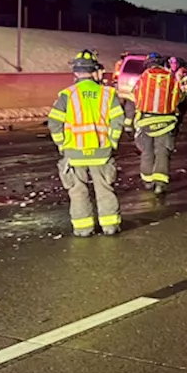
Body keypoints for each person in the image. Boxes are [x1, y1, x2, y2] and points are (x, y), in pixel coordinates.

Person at [47, 50, 127, 237]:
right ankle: (110, 226)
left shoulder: (67, 95)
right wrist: (112, 142)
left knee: (77, 191)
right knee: (105, 189)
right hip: (101, 152)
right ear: (94, 71)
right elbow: (118, 120)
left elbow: (54, 123)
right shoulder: (107, 94)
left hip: (74, 153)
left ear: (75, 72)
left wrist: (62, 145)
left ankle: (83, 228)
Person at [129, 54, 186, 195]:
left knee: (147, 151)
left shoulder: (143, 77)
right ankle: (160, 184)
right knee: (162, 152)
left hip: (146, 121)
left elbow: (135, 96)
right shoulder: (169, 77)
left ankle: (148, 181)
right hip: (166, 122)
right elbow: (178, 97)